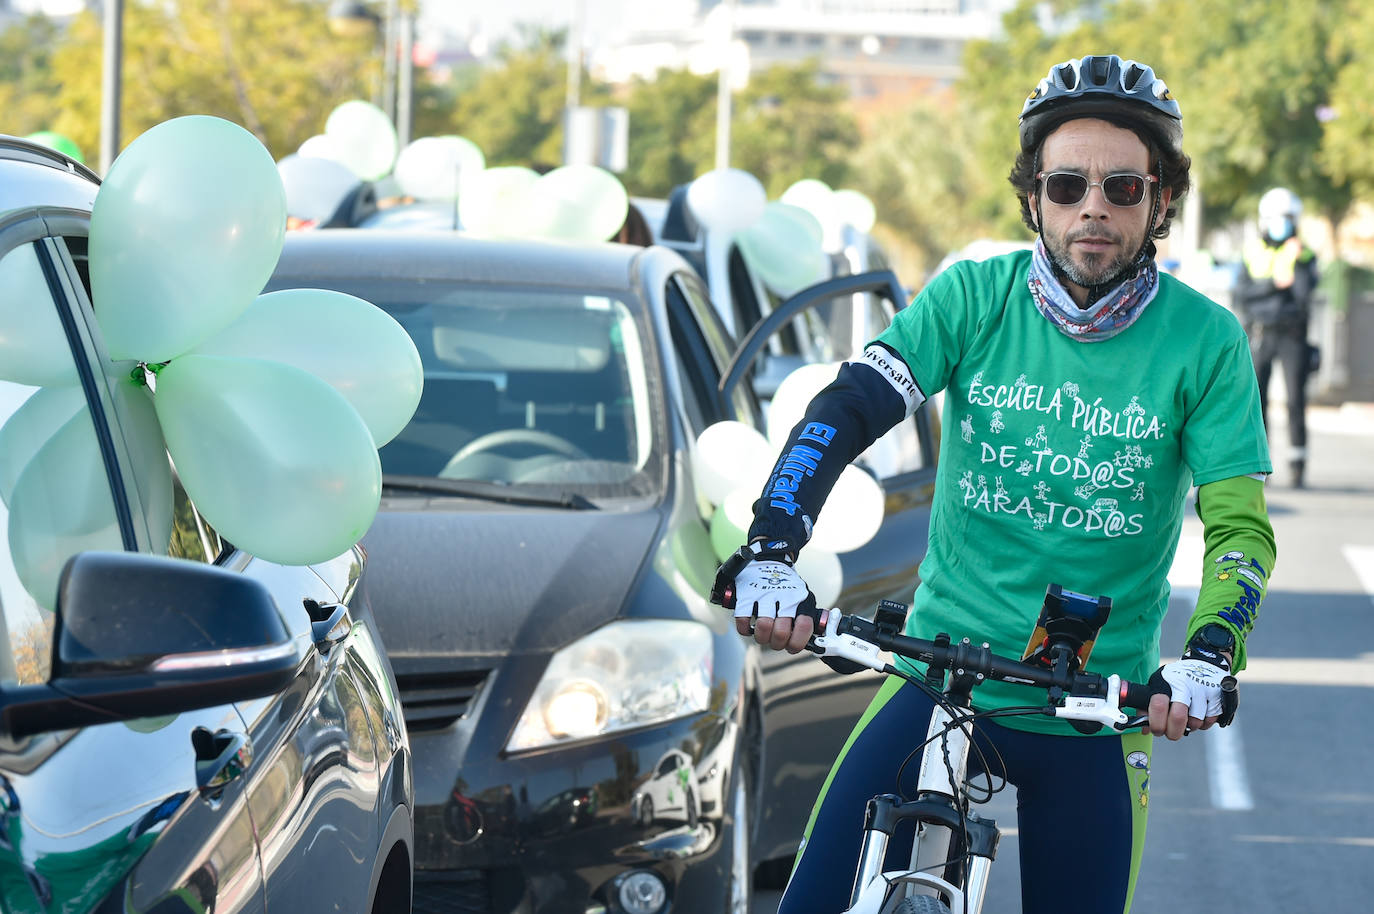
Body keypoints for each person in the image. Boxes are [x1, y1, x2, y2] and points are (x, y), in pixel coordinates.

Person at [712, 54, 1276, 914]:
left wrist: (1208, 655)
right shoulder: (975, 297)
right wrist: (772, 546)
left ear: (1161, 203)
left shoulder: (1206, 342)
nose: (1093, 205)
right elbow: (849, 408)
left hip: (1093, 705)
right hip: (943, 678)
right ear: (1033, 198)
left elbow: (1238, 528)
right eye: (1066, 184)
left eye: (1123, 188)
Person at [1236, 187, 1320, 488]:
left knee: (1297, 401)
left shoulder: (1305, 254)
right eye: (1277, 218)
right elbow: (1243, 295)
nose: (1281, 224)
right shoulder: (1252, 251)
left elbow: (1302, 296)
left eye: (1287, 218)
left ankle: (1298, 465)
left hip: (1293, 336)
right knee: (1256, 402)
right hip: (1259, 334)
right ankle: (1262, 466)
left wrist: (1294, 265)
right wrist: (1275, 284)